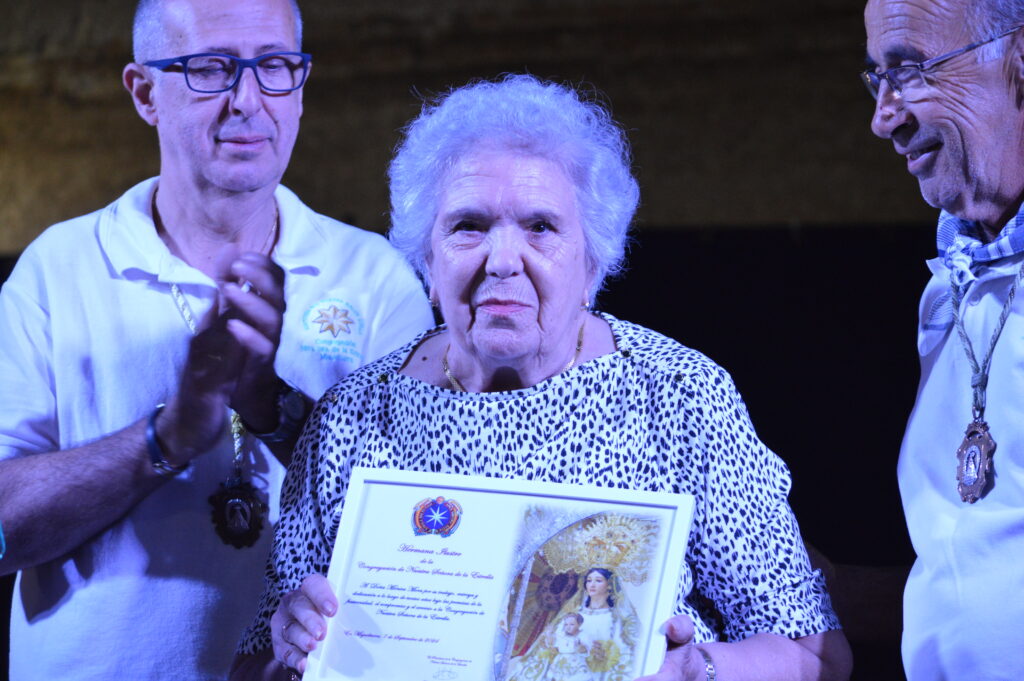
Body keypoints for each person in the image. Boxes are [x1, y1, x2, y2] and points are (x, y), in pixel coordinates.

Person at [230, 74, 853, 681]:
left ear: (593, 259)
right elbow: (255, 666)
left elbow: (817, 655)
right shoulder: (352, 417)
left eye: (541, 227)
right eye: (468, 226)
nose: (503, 260)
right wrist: (290, 649)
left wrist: (698, 669)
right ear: (426, 256)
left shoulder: (679, 394)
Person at [0, 0, 431, 678]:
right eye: (211, 69)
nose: (248, 100)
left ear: (301, 86)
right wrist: (167, 437)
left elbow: (421, 529)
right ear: (144, 93)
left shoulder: (376, 277)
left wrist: (270, 407)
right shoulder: (57, 269)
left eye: (276, 68)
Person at [863, 0, 1024, 678]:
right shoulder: (946, 292)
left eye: (909, 70)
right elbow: (964, 578)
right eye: (876, 79)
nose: (884, 116)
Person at [506, 568, 641, 681]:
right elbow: (552, 647)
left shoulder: (617, 619)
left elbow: (624, 655)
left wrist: (599, 653)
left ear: (609, 585)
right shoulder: (573, 614)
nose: (592, 585)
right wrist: (549, 639)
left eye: (598, 581)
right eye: (589, 581)